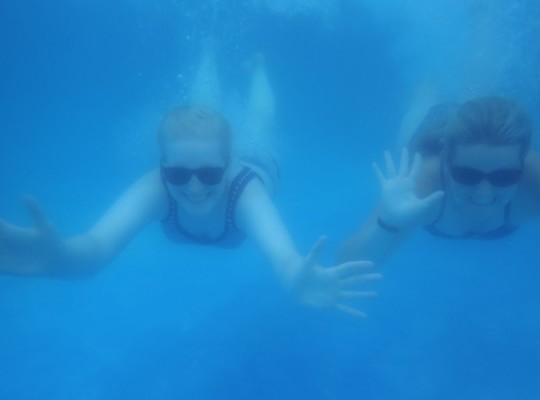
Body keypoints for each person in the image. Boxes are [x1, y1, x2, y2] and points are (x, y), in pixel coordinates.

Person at [0, 46, 380, 318]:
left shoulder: (246, 195)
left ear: (228, 166)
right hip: (211, 151)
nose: (194, 188)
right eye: (178, 173)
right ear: (162, 166)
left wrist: (293, 276)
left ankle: (258, 68)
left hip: (260, 161)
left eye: (211, 174)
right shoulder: (156, 188)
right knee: (205, 107)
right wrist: (64, 257)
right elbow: (98, 246)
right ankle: (208, 47)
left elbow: (283, 256)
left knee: (259, 122)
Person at [339, 96, 540, 265]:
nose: (483, 193)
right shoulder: (421, 180)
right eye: (467, 174)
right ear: (447, 160)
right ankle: (423, 91)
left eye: (504, 176)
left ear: (523, 163)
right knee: (411, 128)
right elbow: (347, 264)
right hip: (431, 131)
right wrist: (388, 224)